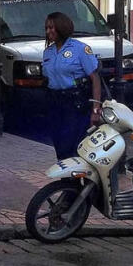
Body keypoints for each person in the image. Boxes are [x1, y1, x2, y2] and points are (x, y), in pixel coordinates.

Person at [41, 11, 103, 160]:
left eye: (52, 28)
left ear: (62, 27)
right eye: (47, 28)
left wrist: (95, 109)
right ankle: (66, 182)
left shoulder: (80, 49)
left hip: (75, 103)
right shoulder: (48, 52)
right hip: (55, 103)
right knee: (59, 144)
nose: (48, 31)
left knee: (74, 146)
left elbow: (95, 78)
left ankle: (78, 180)